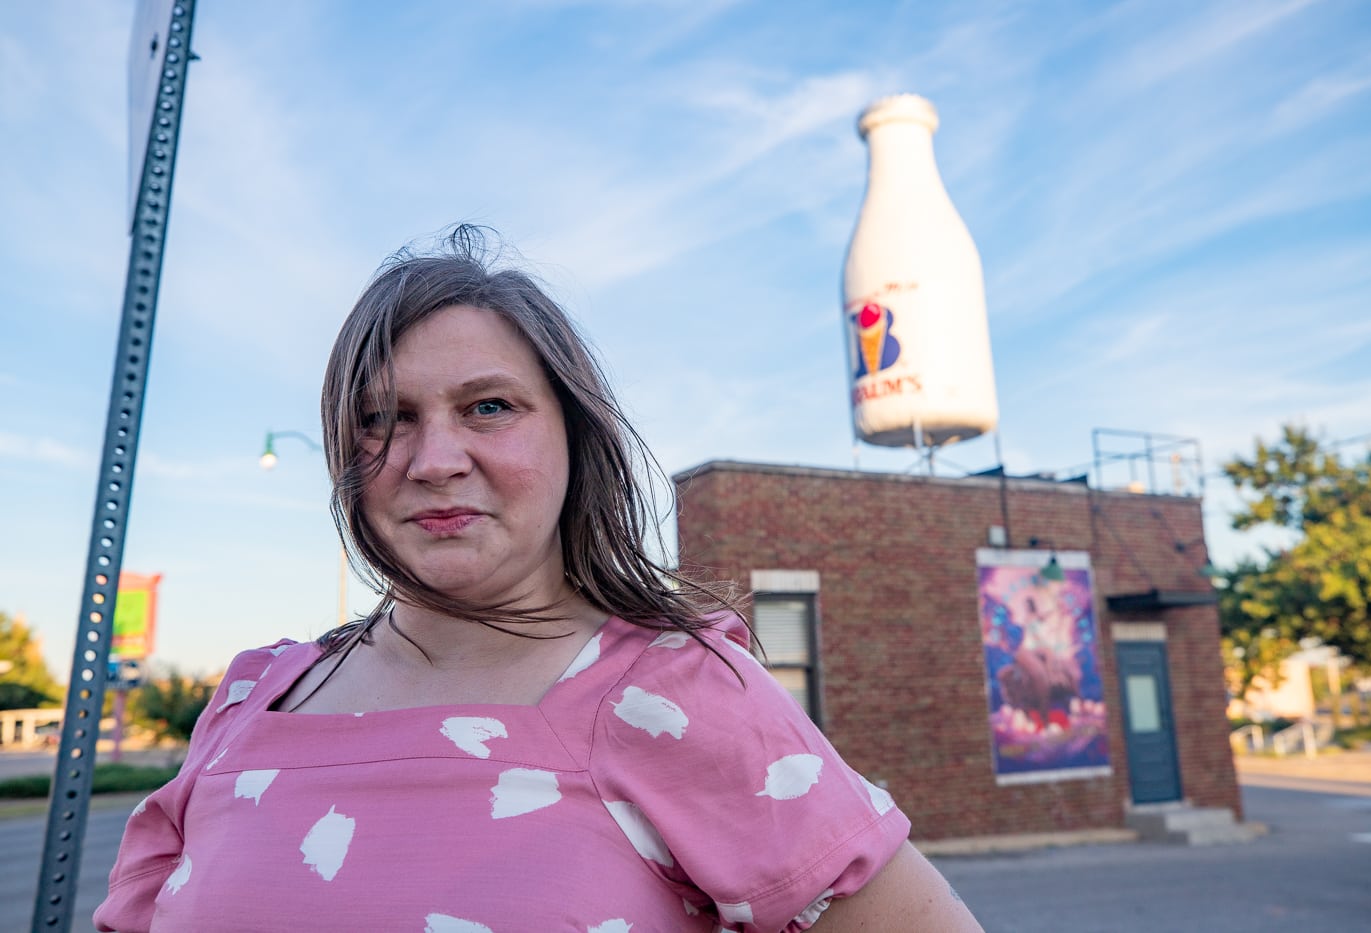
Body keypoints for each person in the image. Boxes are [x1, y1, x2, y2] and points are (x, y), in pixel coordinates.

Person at [95, 226, 982, 933]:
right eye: (385, 418)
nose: (436, 459)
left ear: (572, 433)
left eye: (489, 406)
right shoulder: (251, 696)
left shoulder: (679, 692)